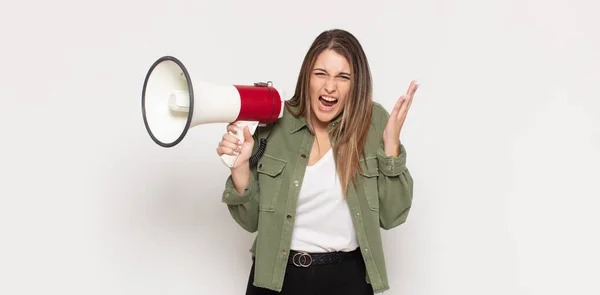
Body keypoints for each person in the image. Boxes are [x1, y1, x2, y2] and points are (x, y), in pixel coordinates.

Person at [216, 29, 418, 295]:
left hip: (348, 280)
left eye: (343, 77)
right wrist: (240, 168)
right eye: (320, 73)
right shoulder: (274, 120)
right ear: (306, 77)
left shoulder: (374, 122)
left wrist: (391, 145)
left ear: (355, 83)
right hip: (276, 279)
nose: (330, 87)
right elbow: (251, 221)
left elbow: (393, 216)